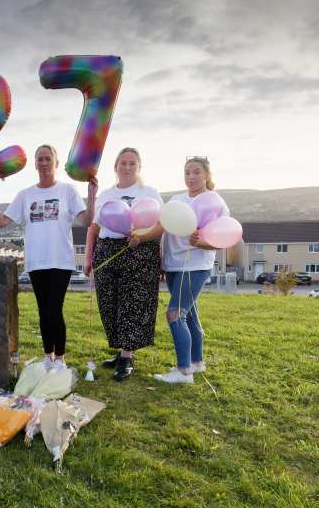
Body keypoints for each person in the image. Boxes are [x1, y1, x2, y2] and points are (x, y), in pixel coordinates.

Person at [0, 145, 97, 370]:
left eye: (48, 159)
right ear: (35, 164)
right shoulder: (26, 195)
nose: (44, 163)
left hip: (60, 261)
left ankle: (61, 358)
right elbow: (1, 222)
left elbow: (86, 221)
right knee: (43, 310)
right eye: (40, 159)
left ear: (56, 164)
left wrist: (92, 196)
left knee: (54, 309)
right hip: (36, 262)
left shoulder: (67, 191)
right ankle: (48, 355)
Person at [83, 148, 163, 381]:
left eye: (132, 163)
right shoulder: (106, 194)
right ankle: (120, 351)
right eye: (123, 163)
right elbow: (93, 228)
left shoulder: (149, 192)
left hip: (138, 250)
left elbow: (161, 224)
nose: (127, 167)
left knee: (132, 304)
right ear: (116, 166)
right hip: (107, 251)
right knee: (109, 304)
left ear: (139, 167)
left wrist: (142, 238)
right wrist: (88, 258)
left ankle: (127, 357)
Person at [154, 156, 227, 384]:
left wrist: (202, 243)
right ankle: (197, 362)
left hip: (196, 266)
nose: (191, 177)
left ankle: (184, 372)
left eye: (196, 172)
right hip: (173, 265)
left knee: (174, 314)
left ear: (206, 175)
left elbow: (226, 237)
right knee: (190, 314)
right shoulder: (177, 199)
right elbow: (164, 227)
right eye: (187, 172)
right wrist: (160, 259)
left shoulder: (214, 201)